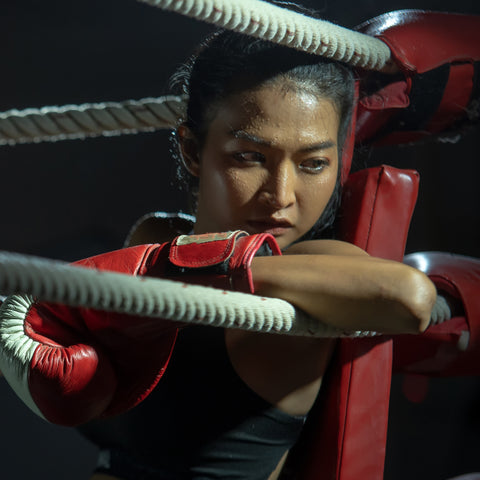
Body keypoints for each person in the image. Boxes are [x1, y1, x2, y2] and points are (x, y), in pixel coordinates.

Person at [69, 16, 437, 480]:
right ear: (191, 151)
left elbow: (410, 298)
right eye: (251, 157)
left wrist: (201, 267)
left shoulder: (310, 268)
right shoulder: (154, 238)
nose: (281, 195)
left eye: (313, 163)